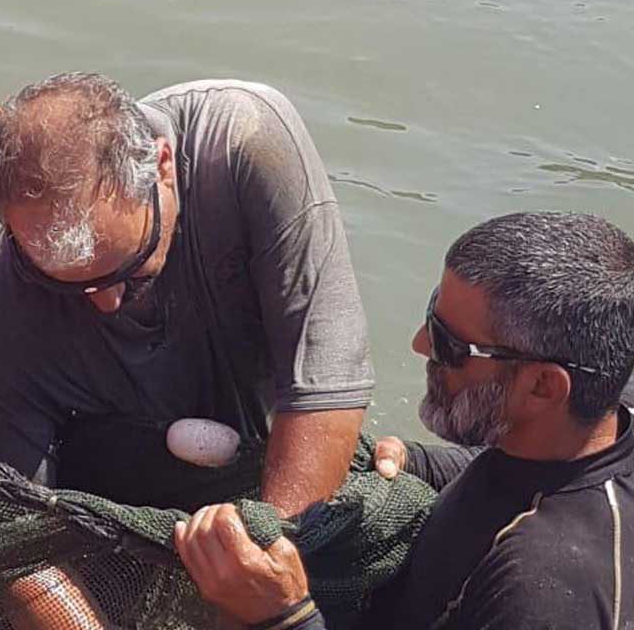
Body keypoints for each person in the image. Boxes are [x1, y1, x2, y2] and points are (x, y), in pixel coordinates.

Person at [0, 73, 374, 517]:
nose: (106, 303)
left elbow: (328, 381)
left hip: (257, 439)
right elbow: (16, 543)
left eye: (131, 271)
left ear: (163, 166)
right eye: (60, 285)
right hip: (105, 486)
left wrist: (265, 552)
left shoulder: (244, 141)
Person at [174, 211, 634, 630]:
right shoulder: (594, 424)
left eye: (450, 344)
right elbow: (519, 475)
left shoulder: (542, 591)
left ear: (543, 387)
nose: (419, 344)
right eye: (432, 315)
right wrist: (418, 463)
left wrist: (287, 617)